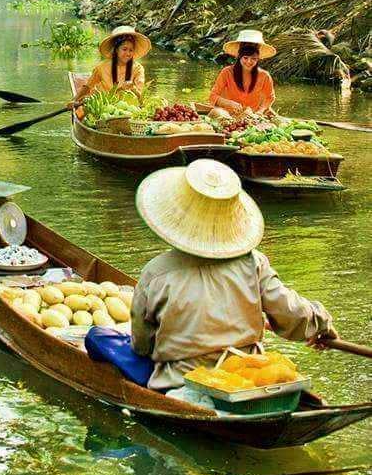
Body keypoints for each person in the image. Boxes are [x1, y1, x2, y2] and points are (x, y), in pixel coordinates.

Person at [131, 159, 338, 391]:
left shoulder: (156, 272)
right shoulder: (253, 263)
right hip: (246, 379)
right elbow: (291, 313)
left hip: (181, 381)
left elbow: (141, 344)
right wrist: (320, 323)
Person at [69, 25, 151, 108]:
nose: (128, 54)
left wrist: (133, 87)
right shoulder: (101, 67)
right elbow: (88, 87)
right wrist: (74, 100)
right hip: (103, 106)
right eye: (124, 49)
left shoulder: (138, 69)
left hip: (128, 108)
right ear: (116, 50)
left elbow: (140, 97)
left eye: (131, 50)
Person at [209, 29, 276, 115]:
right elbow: (213, 96)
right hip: (228, 115)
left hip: (252, 117)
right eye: (245, 58)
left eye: (253, 59)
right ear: (239, 57)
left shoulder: (264, 76)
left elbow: (270, 97)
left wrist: (260, 111)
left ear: (258, 59)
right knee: (215, 112)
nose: (249, 62)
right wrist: (229, 103)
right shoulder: (227, 72)